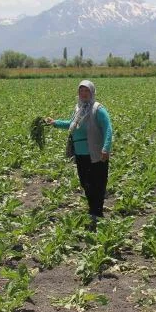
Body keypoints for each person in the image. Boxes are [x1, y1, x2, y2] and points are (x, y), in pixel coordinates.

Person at [46, 80, 113, 229]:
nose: (83, 94)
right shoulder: (79, 109)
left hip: (96, 153)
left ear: (92, 92)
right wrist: (55, 123)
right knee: (85, 183)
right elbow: (71, 125)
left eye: (86, 91)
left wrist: (106, 148)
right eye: (81, 91)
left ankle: (97, 212)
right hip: (81, 153)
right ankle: (92, 209)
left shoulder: (98, 109)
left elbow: (108, 128)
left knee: (98, 183)